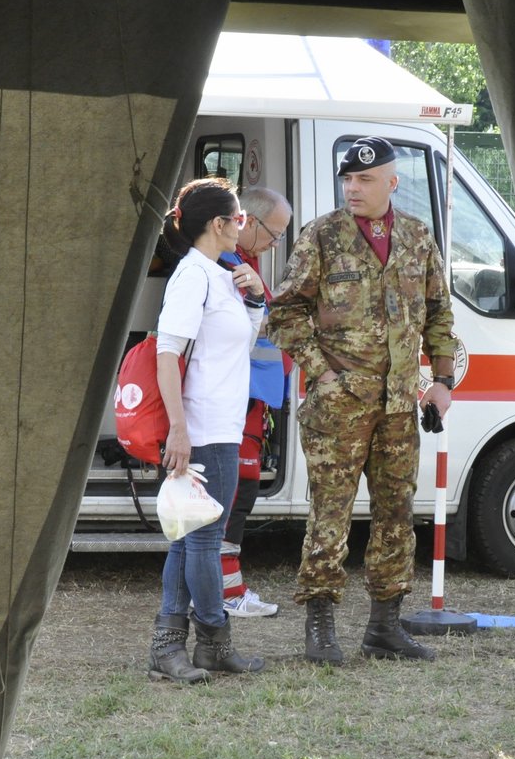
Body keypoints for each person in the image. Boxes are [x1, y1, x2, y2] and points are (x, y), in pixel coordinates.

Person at [264, 137, 459, 665]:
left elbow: (439, 313)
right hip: (338, 406)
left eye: (365, 180)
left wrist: (442, 381)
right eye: (347, 179)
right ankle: (321, 624)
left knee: (397, 511)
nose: (353, 187)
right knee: (331, 512)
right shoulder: (322, 237)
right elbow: (284, 313)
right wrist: (322, 374)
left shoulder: (418, 239)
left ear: (392, 183)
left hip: (399, 405)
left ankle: (385, 626)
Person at [147, 178, 268, 684]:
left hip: (217, 424)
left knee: (186, 538)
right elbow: (167, 355)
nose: (242, 226)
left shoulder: (222, 274)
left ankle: (170, 647)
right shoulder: (192, 275)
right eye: (239, 219)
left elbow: (239, 344)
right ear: (218, 225)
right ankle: (213, 642)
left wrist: (258, 298)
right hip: (199, 427)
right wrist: (179, 429)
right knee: (203, 540)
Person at [216, 186, 294, 618]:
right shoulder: (230, 267)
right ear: (248, 221)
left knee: (237, 497)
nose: (275, 243)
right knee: (234, 499)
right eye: (274, 233)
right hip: (238, 403)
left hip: (250, 402)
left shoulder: (247, 265)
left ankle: (227, 590)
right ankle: (229, 593)